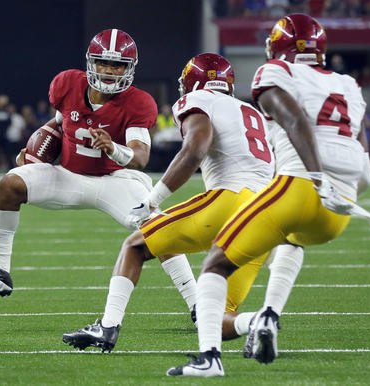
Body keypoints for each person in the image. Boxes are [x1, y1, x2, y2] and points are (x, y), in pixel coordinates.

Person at [167, 13, 370, 377]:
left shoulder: (274, 72)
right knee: (292, 240)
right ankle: (270, 315)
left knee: (216, 263)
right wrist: (343, 190)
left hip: (301, 185)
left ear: (278, 49)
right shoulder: (349, 86)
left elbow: (295, 121)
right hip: (339, 210)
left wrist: (316, 175)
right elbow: (362, 161)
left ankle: (209, 359)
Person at [0, 29, 197, 319]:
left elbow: (140, 155)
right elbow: (61, 122)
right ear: (90, 62)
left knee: (160, 229)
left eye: (118, 65)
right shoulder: (67, 84)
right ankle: (0, 275)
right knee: (9, 185)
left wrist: (113, 148)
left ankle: (197, 304)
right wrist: (37, 148)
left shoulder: (138, 102)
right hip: (68, 176)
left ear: (130, 69)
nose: (110, 71)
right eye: (104, 63)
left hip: (115, 180)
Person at [61, 53, 276, 353]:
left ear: (194, 82)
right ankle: (255, 322)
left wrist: (153, 200)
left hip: (232, 199)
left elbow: (194, 150)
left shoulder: (199, 100)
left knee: (135, 246)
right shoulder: (251, 113)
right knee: (212, 316)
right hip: (266, 214)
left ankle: (107, 328)